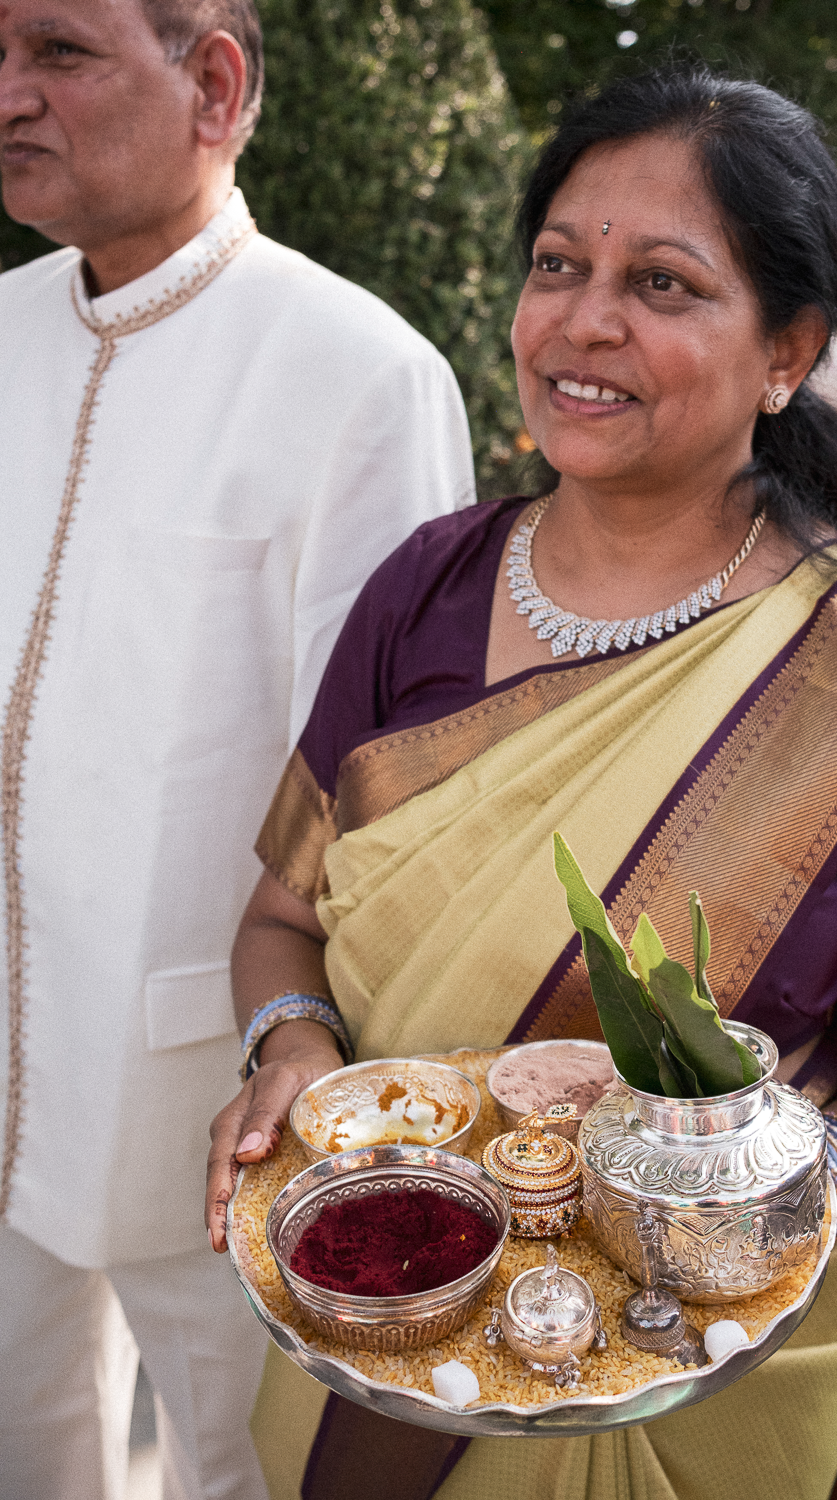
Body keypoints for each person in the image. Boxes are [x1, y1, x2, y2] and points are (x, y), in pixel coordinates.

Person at [206, 64, 837, 1500]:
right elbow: (282, 916)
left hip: (693, 1360)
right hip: (386, 1310)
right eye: (559, 265)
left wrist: (784, 1201)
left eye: (666, 284)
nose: (584, 319)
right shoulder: (423, 589)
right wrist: (291, 1053)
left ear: (789, 350)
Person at [0, 0, 475, 1493]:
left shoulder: (358, 372)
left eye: (59, 54)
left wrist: (313, 1066)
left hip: (218, 1085)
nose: (11, 95)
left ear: (214, 82)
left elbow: (387, 798)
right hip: (3, 1035)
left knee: (237, 1469)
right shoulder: (3, 332)